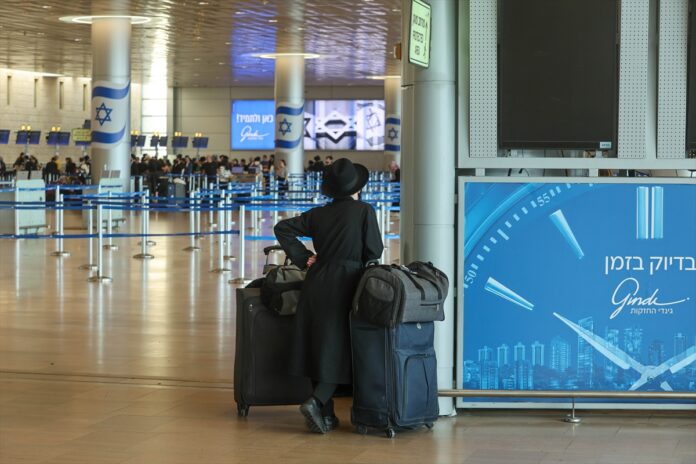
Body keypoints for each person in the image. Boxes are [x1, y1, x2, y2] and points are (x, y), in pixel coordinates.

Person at [274, 158, 384, 434]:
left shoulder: (318, 214)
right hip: (347, 282)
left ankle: (328, 415)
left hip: (316, 281)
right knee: (340, 346)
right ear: (356, 188)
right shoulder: (364, 211)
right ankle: (316, 402)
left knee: (318, 345)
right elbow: (374, 251)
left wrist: (304, 257)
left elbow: (282, 228)